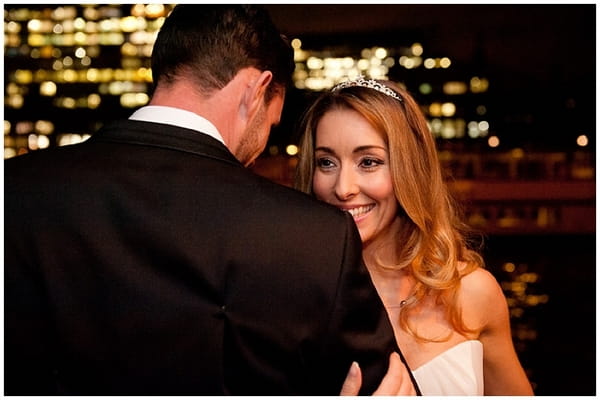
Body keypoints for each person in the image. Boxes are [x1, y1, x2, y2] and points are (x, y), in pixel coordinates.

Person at [4, 6, 417, 395]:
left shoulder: (15, 189)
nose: (258, 150)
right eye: (270, 125)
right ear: (256, 91)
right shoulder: (316, 238)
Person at [295, 76, 535, 395]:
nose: (343, 187)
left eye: (369, 162)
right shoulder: (292, 300)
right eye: (326, 162)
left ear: (410, 168)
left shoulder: (474, 295)